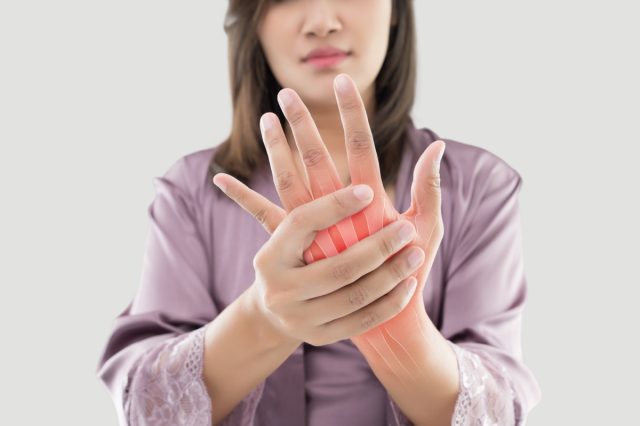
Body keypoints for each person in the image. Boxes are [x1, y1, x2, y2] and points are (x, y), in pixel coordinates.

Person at [96, 0, 542, 425]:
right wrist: (263, 320)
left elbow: (499, 415)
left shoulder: (479, 186)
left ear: (395, 11)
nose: (321, 20)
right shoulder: (191, 192)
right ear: (252, 17)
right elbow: (143, 410)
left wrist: (403, 337)